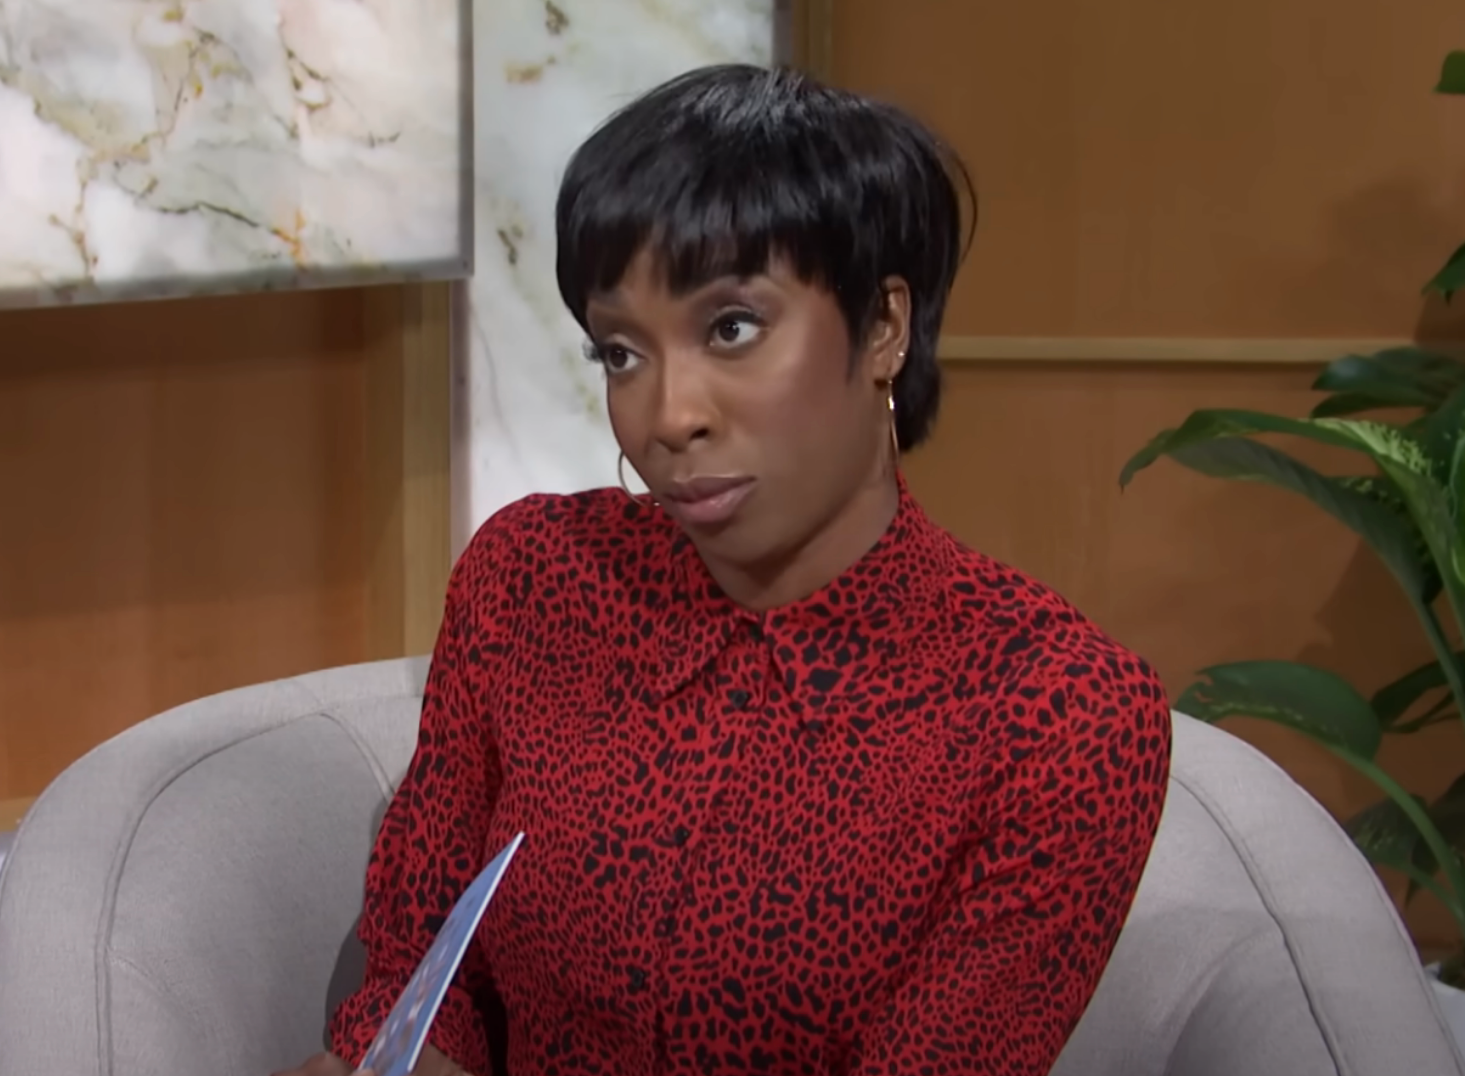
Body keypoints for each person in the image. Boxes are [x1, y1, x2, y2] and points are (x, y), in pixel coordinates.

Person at [276, 63, 1171, 1076]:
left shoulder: (1058, 713)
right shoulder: (533, 578)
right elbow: (421, 952)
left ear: (884, 326)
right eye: (620, 352)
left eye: (731, 328)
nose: (666, 417)